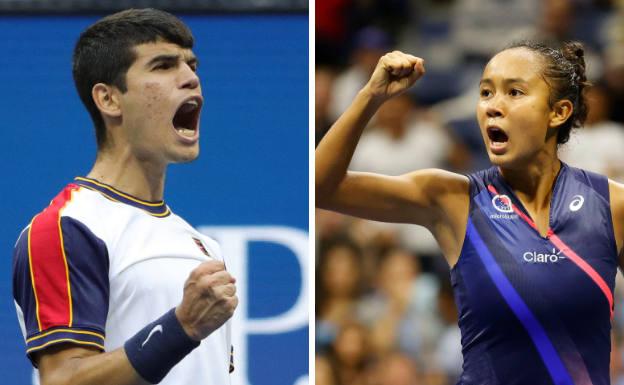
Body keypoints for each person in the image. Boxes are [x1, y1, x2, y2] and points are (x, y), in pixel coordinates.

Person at [316, 41, 624, 384]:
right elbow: (319, 186)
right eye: (486, 93)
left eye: (515, 92)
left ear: (559, 112)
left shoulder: (611, 206)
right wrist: (371, 95)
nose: (493, 106)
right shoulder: (453, 199)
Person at [12, 9, 238, 385]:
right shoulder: (67, 227)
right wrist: (181, 327)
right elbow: (63, 380)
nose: (191, 79)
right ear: (109, 99)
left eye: (192, 65)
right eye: (164, 66)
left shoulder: (205, 247)